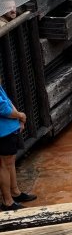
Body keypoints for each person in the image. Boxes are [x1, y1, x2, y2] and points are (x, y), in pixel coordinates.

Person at [0, 82, 36, 211]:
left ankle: (15, 192)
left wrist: (18, 119)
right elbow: (3, 107)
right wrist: (20, 116)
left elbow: (5, 99)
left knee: (9, 162)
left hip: (8, 129)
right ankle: (7, 201)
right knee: (4, 165)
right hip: (2, 132)